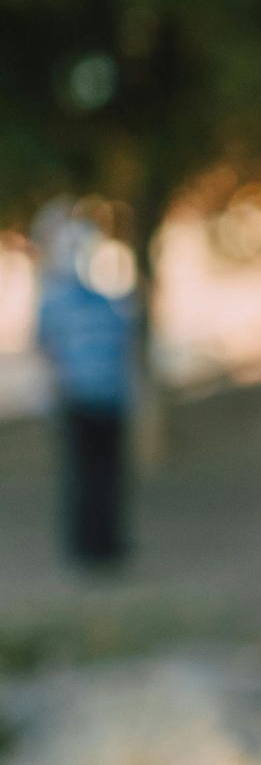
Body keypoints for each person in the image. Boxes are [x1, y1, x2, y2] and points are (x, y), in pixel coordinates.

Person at [35, 205, 137, 566]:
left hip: (110, 396)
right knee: (84, 474)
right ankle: (86, 547)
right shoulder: (56, 302)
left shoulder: (110, 298)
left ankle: (107, 542)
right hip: (79, 398)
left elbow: (123, 345)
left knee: (108, 474)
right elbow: (46, 349)